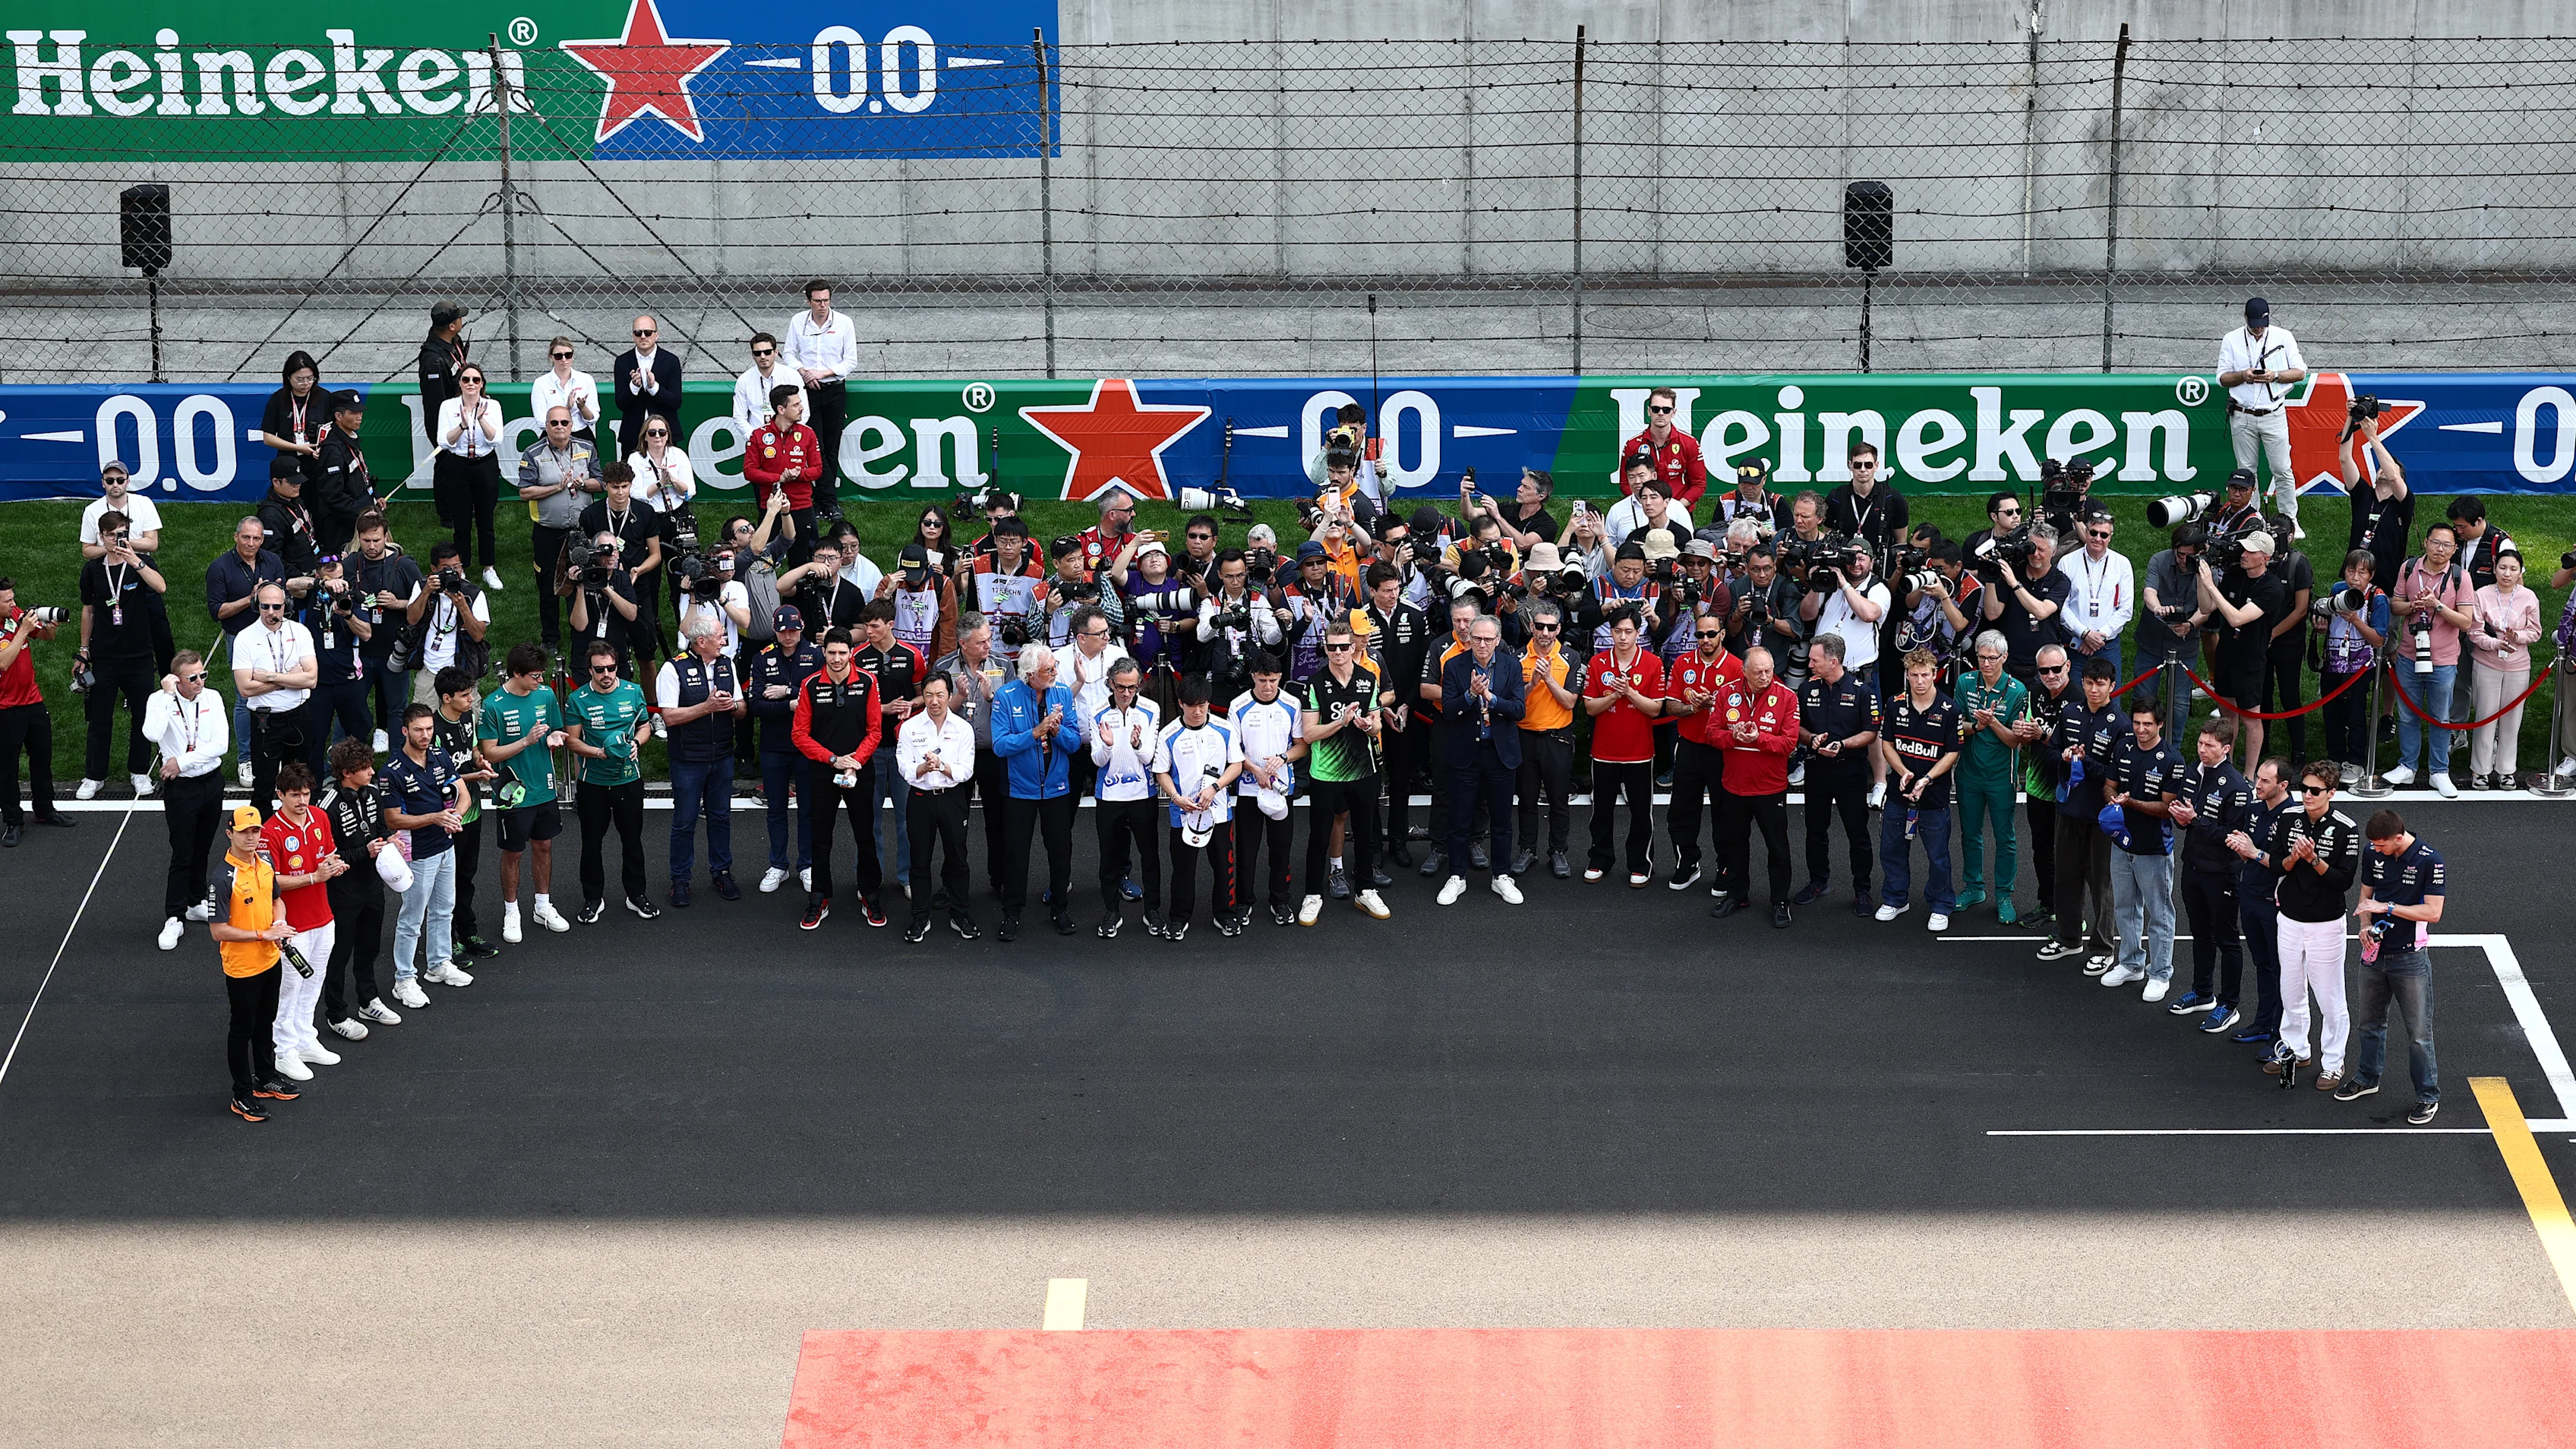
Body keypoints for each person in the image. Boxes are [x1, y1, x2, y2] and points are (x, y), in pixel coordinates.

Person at [2341, 809, 2445, 1124]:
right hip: (2375, 953)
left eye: (2382, 845)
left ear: (2398, 838)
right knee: (2369, 1023)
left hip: (2410, 957)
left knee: (2418, 1034)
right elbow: (2365, 895)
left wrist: (2386, 907)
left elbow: (2433, 912)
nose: (2376, 850)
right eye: (2371, 844)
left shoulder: (2430, 859)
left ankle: (2427, 1096)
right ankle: (2367, 1077)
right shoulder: (2373, 852)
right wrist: (2365, 924)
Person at [2262, 759, 2361, 1088]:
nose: (2307, 795)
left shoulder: (2347, 828)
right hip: (2289, 918)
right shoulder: (2288, 817)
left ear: (2331, 792)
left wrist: (2314, 859)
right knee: (2290, 990)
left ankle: (2333, 1061)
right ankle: (2295, 1048)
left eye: (2315, 791)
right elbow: (2276, 864)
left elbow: (2343, 881)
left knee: (2330, 996)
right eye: (2304, 788)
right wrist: (2294, 857)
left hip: (2325, 924)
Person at [258, 764, 346, 1082]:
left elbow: (329, 854)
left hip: (323, 917)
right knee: (290, 988)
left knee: (314, 982)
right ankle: (283, 1051)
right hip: (292, 925)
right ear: (280, 795)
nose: (302, 800)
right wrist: (314, 876)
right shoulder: (270, 832)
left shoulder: (320, 818)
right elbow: (270, 882)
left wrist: (334, 865)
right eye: (295, 795)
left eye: (306, 794)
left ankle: (306, 1039)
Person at [792, 626, 885, 930]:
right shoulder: (809, 685)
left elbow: (875, 731)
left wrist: (855, 761)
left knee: (865, 835)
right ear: (824, 652)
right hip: (822, 771)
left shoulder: (869, 682)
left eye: (842, 653)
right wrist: (832, 759)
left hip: (859, 770)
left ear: (851, 653)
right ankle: (819, 897)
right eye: (831, 652)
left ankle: (870, 893)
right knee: (820, 838)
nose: (836, 658)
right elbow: (799, 735)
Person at [1299, 620, 1391, 923]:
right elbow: (1309, 734)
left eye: (1344, 646)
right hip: (1325, 773)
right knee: (1319, 836)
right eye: (1332, 647)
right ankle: (1313, 894)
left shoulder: (1368, 678)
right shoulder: (1314, 682)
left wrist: (1368, 726)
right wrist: (1341, 722)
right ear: (1325, 649)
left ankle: (1365, 890)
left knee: (1365, 834)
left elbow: (1377, 723)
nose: (1338, 652)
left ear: (1354, 647)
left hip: (1364, 770)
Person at [380, 702, 472, 1008]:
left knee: (445, 910)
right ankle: (404, 979)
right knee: (411, 918)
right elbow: (393, 819)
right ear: (405, 731)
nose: (426, 735)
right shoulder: (391, 772)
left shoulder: (439, 755)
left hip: (446, 848)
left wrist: (455, 816)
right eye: (418, 729)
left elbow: (463, 793)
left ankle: (438, 964)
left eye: (430, 728)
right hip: (417, 854)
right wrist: (436, 818)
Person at [210, 804, 298, 1122]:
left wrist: (280, 926)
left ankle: (266, 1076)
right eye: (244, 831)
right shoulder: (222, 878)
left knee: (266, 1021)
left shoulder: (264, 864)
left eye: (256, 831)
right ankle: (242, 1094)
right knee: (242, 1029)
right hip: (243, 968)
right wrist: (264, 933)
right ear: (230, 834)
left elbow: (277, 900)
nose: (251, 837)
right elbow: (218, 931)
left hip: (270, 960)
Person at [2035, 657, 2124, 969]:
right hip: (2069, 809)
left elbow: (2117, 774)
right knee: (2066, 876)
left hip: (2100, 816)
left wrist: (2085, 763)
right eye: (2088, 683)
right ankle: (2068, 938)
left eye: (2100, 684)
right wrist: (2063, 755)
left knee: (2101, 882)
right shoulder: (2070, 712)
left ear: (2112, 686)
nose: (2094, 689)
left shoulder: (2122, 725)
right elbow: (2049, 752)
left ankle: (2103, 947)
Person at [478, 643, 570, 942]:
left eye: (542, 675)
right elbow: (490, 753)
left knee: (544, 846)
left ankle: (542, 906)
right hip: (512, 792)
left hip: (544, 786)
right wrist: (526, 742)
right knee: (514, 853)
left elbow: (557, 729)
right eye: (534, 675)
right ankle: (511, 911)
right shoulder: (494, 705)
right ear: (516, 674)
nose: (540, 681)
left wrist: (555, 737)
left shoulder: (546, 696)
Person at [2165, 715, 2252, 1029]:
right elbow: (2183, 816)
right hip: (2194, 867)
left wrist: (2196, 819)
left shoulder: (2238, 787)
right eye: (2200, 743)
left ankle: (2230, 1004)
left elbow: (2234, 836)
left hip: (2222, 874)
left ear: (2226, 749)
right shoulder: (2193, 772)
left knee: (2227, 939)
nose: (2202, 749)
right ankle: (2203, 993)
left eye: (2209, 745)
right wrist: (2183, 818)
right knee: (2200, 934)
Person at [564, 640, 658, 922]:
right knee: (591, 843)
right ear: (589, 670)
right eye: (599, 669)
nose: (606, 674)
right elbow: (572, 741)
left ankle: (636, 895)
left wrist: (637, 745)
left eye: (611, 668)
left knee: (632, 840)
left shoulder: (633, 691)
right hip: (593, 782)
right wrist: (599, 753)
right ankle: (593, 898)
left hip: (629, 780)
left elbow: (644, 726)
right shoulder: (578, 699)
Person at [75, 507, 166, 800]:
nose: (118, 540)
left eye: (123, 534)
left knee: (142, 716)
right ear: (102, 537)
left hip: (139, 654)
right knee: (100, 719)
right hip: (105, 656)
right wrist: (84, 650)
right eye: (113, 535)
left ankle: (140, 771)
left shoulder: (141, 563)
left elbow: (161, 587)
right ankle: (94, 775)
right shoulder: (92, 570)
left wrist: (136, 561)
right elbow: (88, 609)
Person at [993, 642, 1082, 942]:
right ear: (1030, 673)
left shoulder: (1062, 693)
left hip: (1057, 787)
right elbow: (1000, 745)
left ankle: (1060, 907)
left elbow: (1073, 744)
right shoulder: (1006, 697)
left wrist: (1055, 731)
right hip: (1020, 789)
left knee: (1060, 851)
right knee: (1016, 854)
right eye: (1049, 669)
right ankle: (1012, 913)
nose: (1056, 672)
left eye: (1056, 666)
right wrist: (1035, 732)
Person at [1433, 614, 1524, 908]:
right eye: (1477, 639)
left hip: (1500, 753)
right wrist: (1471, 695)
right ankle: (1457, 876)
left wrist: (1491, 698)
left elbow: (1519, 710)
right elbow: (1448, 711)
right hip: (1465, 754)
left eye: (1488, 639)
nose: (1482, 644)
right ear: (1468, 639)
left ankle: (1501, 875)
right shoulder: (1455, 666)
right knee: (1459, 819)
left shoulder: (1511, 666)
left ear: (1498, 640)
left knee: (1501, 820)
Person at [660, 611, 747, 907]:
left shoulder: (727, 664)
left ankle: (722, 872)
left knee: (721, 818)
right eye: (720, 636)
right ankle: (680, 880)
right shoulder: (672, 669)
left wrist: (731, 705)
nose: (725, 640)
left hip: (722, 755)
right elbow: (669, 717)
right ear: (701, 641)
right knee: (684, 822)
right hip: (688, 759)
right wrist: (707, 707)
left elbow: (742, 709)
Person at [2098, 697, 2182, 998]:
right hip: (2121, 843)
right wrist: (2112, 798)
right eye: (2136, 723)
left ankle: (2160, 973)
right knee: (2124, 907)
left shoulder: (2172, 760)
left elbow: (2168, 808)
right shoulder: (2123, 747)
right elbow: (2109, 784)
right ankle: (2131, 963)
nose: (2141, 729)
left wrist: (2131, 802)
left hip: (2154, 849)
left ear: (2160, 724)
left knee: (2159, 913)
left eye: (2148, 724)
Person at [2385, 522, 2477, 794]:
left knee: (2440, 717)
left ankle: (2439, 770)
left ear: (2455, 549)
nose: (2440, 549)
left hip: (2444, 659)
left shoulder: (2461, 577)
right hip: (2408, 655)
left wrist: (2437, 605)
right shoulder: (2410, 569)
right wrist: (2414, 606)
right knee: (2407, 714)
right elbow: (2395, 604)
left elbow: (2465, 621)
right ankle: (2408, 766)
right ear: (2425, 542)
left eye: (2447, 545)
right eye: (2436, 543)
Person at [1712, 646, 1800, 927]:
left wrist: (1758, 738)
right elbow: (1712, 734)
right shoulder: (1726, 694)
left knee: (1778, 848)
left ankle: (1780, 901)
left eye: (1769, 670)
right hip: (1734, 786)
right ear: (1744, 672)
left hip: (1770, 788)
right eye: (1758, 672)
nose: (1765, 676)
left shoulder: (1787, 697)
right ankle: (1738, 895)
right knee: (1735, 844)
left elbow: (1788, 744)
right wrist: (1732, 736)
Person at [1876, 649, 1963, 930]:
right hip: (1898, 792)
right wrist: (1903, 772)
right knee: (1891, 848)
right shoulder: (1894, 704)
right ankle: (1895, 898)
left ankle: (1941, 904)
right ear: (1907, 674)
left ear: (1934, 672)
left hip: (1934, 796)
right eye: (1914, 675)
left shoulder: (1951, 709)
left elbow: (1953, 752)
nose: (1920, 681)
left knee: (1938, 855)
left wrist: (1927, 778)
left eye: (1925, 674)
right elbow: (1887, 743)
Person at [1659, 606, 1743, 896]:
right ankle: (1688, 863)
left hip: (1722, 751)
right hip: (1690, 747)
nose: (1705, 639)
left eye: (1710, 634)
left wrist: (1715, 704)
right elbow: (1670, 706)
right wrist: (1693, 707)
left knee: (1725, 812)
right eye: (1700, 634)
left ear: (1722, 634)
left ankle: (1725, 868)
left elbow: (1742, 712)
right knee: (1682, 810)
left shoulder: (1736, 667)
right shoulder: (1683, 664)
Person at [1155, 676, 1247, 939]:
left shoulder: (1225, 729)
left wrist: (1215, 788)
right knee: (1183, 869)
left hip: (1219, 814)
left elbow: (1236, 765)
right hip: (1183, 815)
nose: (1197, 712)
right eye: (1191, 706)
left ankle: (1225, 915)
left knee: (1223, 866)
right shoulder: (1168, 734)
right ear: (1181, 704)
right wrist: (1175, 797)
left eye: (1203, 705)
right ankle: (1179, 918)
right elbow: (1161, 771)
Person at [320, 737, 401, 1035]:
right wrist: (363, 853)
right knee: (339, 953)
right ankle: (336, 1013)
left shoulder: (374, 794)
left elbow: (381, 829)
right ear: (346, 773)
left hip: (372, 885)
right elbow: (327, 854)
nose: (371, 771)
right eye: (364, 767)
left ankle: (368, 1000)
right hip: (342, 892)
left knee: (369, 946)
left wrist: (390, 839)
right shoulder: (327, 806)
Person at [148, 653, 229, 950]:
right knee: (182, 852)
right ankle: (174, 915)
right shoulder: (160, 701)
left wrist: (181, 761)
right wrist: (167, 698)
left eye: (202, 675)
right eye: (192, 678)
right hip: (182, 790)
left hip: (210, 781)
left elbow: (221, 744)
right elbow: (152, 733)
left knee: (203, 846)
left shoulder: (213, 698)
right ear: (176, 680)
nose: (200, 682)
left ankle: (195, 901)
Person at [1795, 633, 1879, 916]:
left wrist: (1842, 744)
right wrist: (1813, 739)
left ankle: (1862, 889)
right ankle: (1818, 881)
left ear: (1833, 661)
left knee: (1857, 833)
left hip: (1850, 772)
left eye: (1814, 660)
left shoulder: (1862, 691)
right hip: (1817, 769)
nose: (1809, 664)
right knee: (1815, 830)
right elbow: (1797, 728)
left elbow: (1870, 732)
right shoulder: (1806, 690)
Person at [1951, 631, 2031, 921]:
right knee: (1970, 834)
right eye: (1981, 658)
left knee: (2005, 837)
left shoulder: (2018, 690)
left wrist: (1992, 721)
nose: (1986, 663)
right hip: (1968, 774)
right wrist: (1976, 726)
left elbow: (2014, 741)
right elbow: (1957, 725)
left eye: (1992, 659)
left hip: (2001, 777)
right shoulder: (1965, 682)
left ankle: (2004, 894)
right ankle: (1974, 887)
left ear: (2005, 658)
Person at [1582, 608, 1665, 887]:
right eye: (1618, 631)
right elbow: (1590, 708)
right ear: (1611, 632)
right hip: (1604, 751)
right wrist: (1616, 695)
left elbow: (1655, 709)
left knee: (1641, 812)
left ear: (1638, 633)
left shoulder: (1653, 663)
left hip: (1639, 752)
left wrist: (1630, 692)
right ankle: (1600, 858)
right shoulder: (1597, 662)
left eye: (1629, 631)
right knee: (1601, 811)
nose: (1623, 637)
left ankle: (1641, 864)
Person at [897, 672, 980, 942]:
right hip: (920, 799)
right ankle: (920, 917)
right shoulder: (910, 727)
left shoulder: (963, 728)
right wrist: (922, 768)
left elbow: (967, 771)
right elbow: (904, 766)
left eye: (940, 695)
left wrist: (942, 766)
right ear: (924, 696)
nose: (935, 701)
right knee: (919, 860)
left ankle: (960, 914)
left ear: (949, 694)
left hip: (952, 799)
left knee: (958, 858)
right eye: (929, 695)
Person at [936, 613, 1015, 895]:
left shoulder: (1003, 664)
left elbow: (1013, 713)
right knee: (954, 824)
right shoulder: (944, 666)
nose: (988, 646)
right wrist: (958, 696)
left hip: (993, 754)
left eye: (988, 640)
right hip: (956, 756)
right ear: (963, 643)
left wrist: (991, 697)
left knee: (999, 821)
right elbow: (937, 713)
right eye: (981, 642)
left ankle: (1001, 879)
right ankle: (951, 883)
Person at [2196, 530, 2289, 771]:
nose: (2244, 554)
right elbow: (2207, 606)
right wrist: (2201, 576)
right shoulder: (2235, 575)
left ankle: (2249, 774)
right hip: (2226, 655)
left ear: (2265, 557)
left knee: (2251, 718)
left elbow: (2237, 618)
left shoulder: (2273, 589)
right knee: (2228, 716)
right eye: (2244, 549)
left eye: (2251, 551)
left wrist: (2210, 585)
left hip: (2250, 661)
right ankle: (2225, 766)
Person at [2215, 296, 2308, 535]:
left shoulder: (2283, 336)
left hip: (2273, 413)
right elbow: (2223, 378)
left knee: (2282, 468)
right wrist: (2243, 375)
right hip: (2242, 414)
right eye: (2254, 323)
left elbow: (2300, 372)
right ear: (2246, 319)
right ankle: (2251, 519)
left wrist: (2275, 375)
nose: (2258, 328)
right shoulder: (2232, 339)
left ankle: (2290, 520)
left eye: (2262, 324)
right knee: (2247, 470)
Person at [854, 601, 927, 899]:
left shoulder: (912, 655)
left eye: (874, 626)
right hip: (869, 748)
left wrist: (911, 705)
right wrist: (882, 708)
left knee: (906, 817)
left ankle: (907, 876)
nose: (868, 632)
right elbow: (852, 701)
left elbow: (925, 695)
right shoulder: (857, 657)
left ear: (890, 624)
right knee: (868, 818)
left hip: (903, 747)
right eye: (866, 626)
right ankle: (870, 877)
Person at [2223, 757, 2297, 1046]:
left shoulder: (2293, 816)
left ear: (2283, 785)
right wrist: (2241, 848)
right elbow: (2249, 851)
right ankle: (2265, 1023)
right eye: (2258, 778)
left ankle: (2282, 1034)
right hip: (2250, 895)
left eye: (2266, 781)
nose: (2258, 785)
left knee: (2282, 970)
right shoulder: (2254, 808)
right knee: (2262, 965)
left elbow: (2284, 865)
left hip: (2276, 904)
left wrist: (2253, 852)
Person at [747, 607, 822, 893]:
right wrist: (790, 704)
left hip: (807, 746)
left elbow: (819, 695)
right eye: (782, 631)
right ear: (775, 631)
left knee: (808, 810)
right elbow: (756, 705)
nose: (788, 636)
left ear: (801, 628)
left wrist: (788, 691)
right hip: (773, 746)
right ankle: (778, 864)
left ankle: (807, 864)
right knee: (775, 809)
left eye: (793, 631)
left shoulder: (815, 655)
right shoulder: (762, 657)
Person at [1229, 652, 1305, 928]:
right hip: (1249, 791)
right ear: (1253, 677)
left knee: (1281, 849)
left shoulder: (1292, 704)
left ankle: (1280, 901)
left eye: (1273, 680)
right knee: (1247, 851)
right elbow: (1233, 750)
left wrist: (1283, 758)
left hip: (1281, 791)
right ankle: (1244, 902)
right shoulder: (1238, 706)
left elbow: (1302, 745)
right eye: (1262, 680)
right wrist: (1255, 769)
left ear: (1280, 678)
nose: (1268, 686)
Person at [519, 406, 603, 652]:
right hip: (548, 532)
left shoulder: (586, 448)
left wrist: (583, 483)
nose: (559, 427)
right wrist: (557, 487)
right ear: (546, 426)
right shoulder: (533, 452)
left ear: (571, 425)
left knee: (584, 580)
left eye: (564, 422)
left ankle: (584, 632)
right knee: (548, 585)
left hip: (581, 531)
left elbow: (600, 483)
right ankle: (550, 638)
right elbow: (524, 491)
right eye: (554, 423)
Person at [1091, 657, 1165, 937]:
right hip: (1109, 795)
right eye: (1120, 687)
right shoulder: (1098, 710)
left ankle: (1152, 911)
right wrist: (1109, 747)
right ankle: (1111, 912)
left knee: (1150, 855)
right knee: (1108, 857)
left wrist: (1137, 744)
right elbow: (1097, 761)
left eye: (1132, 688)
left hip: (1142, 795)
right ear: (1111, 683)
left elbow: (1149, 757)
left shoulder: (1150, 709)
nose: (1126, 693)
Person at [428, 667, 497, 961]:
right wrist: (476, 776)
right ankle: (447, 940)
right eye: (465, 695)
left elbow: (470, 753)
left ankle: (467, 932)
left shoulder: (468, 718)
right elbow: (440, 775)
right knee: (446, 882)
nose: (471, 699)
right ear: (447, 698)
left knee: (467, 876)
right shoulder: (432, 729)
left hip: (472, 811)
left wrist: (481, 761)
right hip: (447, 816)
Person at [234, 582, 317, 819]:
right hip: (265, 721)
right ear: (256, 606)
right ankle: (262, 840)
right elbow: (246, 688)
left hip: (298, 715)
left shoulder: (300, 632)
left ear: (286, 605)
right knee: (264, 783)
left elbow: (311, 679)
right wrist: (290, 679)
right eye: (265, 606)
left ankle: (298, 831)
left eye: (277, 606)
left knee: (299, 781)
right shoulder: (245, 638)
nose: (271, 612)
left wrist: (270, 678)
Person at [1514, 598, 1580, 881]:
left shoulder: (1570, 657)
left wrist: (1549, 680)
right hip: (1525, 737)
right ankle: (1528, 849)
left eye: (1550, 628)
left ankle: (1558, 851)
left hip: (1558, 738)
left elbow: (1570, 703)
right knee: (1527, 799)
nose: (1544, 633)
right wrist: (1532, 684)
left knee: (1558, 799)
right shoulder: (1516, 657)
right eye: (1539, 626)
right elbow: (1514, 702)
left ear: (1558, 629)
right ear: (1531, 626)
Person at [2467, 546, 2540, 789]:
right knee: (2485, 717)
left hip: (2518, 666)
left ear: (2521, 572)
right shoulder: (2482, 594)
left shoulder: (2528, 597)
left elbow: (2535, 631)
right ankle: (2480, 770)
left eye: (2513, 569)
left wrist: (2516, 636)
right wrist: (2495, 643)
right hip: (2487, 662)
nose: (2507, 573)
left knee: (2512, 719)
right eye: (2503, 568)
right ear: (2495, 569)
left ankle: (2507, 770)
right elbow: (2474, 632)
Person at [579, 464, 665, 670]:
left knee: (646, 650)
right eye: (615, 487)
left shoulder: (645, 512)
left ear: (631, 486)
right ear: (605, 486)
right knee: (598, 647)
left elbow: (656, 555)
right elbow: (584, 555)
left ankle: (649, 700)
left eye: (625, 487)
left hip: (637, 585)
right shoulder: (591, 514)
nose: (620, 492)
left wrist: (638, 570)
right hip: (602, 585)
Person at [347, 513, 421, 747]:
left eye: (376, 540)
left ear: (386, 537)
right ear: (359, 538)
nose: (371, 546)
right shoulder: (351, 564)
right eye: (366, 541)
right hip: (359, 652)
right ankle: (349, 758)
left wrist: (398, 603)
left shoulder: (404, 564)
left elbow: (423, 602)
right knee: (352, 706)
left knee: (397, 709)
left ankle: (399, 762)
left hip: (394, 650)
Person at [2316, 549, 2390, 781]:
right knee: (2331, 711)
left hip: (2361, 665)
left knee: (2356, 713)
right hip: (2334, 662)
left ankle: (2356, 760)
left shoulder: (2378, 599)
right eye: (2351, 571)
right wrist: (2320, 623)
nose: (2355, 578)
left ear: (2371, 575)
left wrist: (2356, 620)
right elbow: (2325, 615)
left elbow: (2379, 640)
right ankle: (2335, 757)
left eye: (2361, 572)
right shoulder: (2338, 590)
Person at [433, 361, 507, 590]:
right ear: (460, 383)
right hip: (458, 465)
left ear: (482, 384)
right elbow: (444, 441)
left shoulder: (492, 405)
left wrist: (481, 419)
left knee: (486, 519)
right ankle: (461, 567)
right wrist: (462, 426)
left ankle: (488, 568)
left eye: (476, 380)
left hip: (485, 464)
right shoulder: (448, 406)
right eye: (466, 380)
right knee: (461, 521)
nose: (471, 384)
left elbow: (497, 439)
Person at [785, 280, 857, 510]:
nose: (823, 305)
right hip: (807, 391)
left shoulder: (844, 323)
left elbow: (850, 361)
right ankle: (827, 501)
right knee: (816, 446)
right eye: (817, 301)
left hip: (834, 389)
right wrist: (806, 373)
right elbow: (788, 353)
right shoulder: (798, 321)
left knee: (832, 445)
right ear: (808, 301)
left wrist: (823, 373)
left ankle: (824, 499)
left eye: (826, 300)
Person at [2134, 522, 2208, 744]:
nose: (2183, 559)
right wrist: (2158, 608)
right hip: (2152, 640)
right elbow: (2149, 591)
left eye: (2189, 555)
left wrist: (2191, 625)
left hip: (2185, 645)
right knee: (2144, 695)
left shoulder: (2206, 569)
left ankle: (2172, 748)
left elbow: (2207, 607)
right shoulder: (2160, 559)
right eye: (2180, 553)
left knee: (2179, 702)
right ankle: (2142, 743)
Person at [402, 541, 491, 706]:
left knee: (465, 724)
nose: (453, 573)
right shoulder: (422, 586)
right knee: (424, 723)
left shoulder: (472, 593)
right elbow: (412, 619)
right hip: (430, 670)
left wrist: (463, 607)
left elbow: (479, 635)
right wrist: (426, 592)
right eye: (446, 568)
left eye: (457, 567)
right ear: (434, 570)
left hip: (461, 672)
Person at [1980, 523, 2069, 687]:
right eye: (2032, 548)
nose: (2035, 554)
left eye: (2042, 550)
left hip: (2043, 667)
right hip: (2009, 660)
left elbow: (2042, 611)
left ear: (2054, 552)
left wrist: (2015, 584)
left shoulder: (2060, 581)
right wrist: (1991, 574)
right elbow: (1992, 613)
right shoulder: (2013, 571)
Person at [744, 385, 825, 561]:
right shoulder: (759, 435)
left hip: (801, 506)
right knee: (764, 560)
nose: (802, 408)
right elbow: (749, 471)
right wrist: (778, 478)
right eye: (796, 405)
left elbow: (818, 469)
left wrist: (800, 474)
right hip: (771, 507)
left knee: (800, 560)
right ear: (781, 409)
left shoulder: (808, 434)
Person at [2056, 510, 2133, 686]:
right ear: (2087, 532)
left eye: (2103, 534)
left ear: (2110, 537)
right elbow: (2062, 605)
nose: (2098, 538)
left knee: (2110, 700)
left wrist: (2098, 637)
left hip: (2107, 645)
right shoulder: (2067, 562)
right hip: (2075, 642)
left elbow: (2126, 609)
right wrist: (2084, 634)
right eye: (2093, 533)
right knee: (2074, 700)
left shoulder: (2122, 564)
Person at [2342, 413, 2412, 594]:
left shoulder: (2403, 501)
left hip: (2387, 582)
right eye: (2380, 467)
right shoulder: (2363, 494)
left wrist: (2373, 437)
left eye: (2388, 467)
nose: (2383, 470)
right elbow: (2345, 459)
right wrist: (2351, 418)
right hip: (2354, 578)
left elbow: (2394, 478)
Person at [564, 528, 644, 677]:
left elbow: (632, 614)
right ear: (595, 553)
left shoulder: (622, 578)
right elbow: (579, 625)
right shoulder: (580, 580)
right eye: (605, 550)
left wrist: (606, 588)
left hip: (616, 658)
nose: (611, 555)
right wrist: (580, 589)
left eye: (614, 550)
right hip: (585, 659)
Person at [312, 392, 378, 560]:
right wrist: (363, 513)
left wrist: (375, 497)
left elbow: (361, 475)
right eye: (353, 413)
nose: (360, 417)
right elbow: (332, 496)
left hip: (355, 517)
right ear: (338, 416)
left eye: (360, 412)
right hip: (340, 529)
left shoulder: (350, 439)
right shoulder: (333, 450)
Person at [1616, 387, 1708, 507]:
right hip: (1644, 509)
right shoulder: (1633, 444)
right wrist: (1644, 504)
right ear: (1649, 411)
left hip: (1679, 509)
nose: (1660, 414)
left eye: (1666, 410)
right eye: (1656, 409)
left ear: (1674, 412)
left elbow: (1699, 484)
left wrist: (1676, 508)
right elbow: (1625, 484)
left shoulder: (1689, 443)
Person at [613, 314, 683, 462]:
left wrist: (654, 388)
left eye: (648, 332)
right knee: (629, 477)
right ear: (633, 336)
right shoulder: (622, 362)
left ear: (656, 335)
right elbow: (620, 403)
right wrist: (633, 387)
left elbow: (676, 401)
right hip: (632, 434)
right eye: (638, 333)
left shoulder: (671, 361)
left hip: (664, 434)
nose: (643, 336)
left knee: (667, 476)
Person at [1824, 442, 1908, 552]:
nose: (1863, 469)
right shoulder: (1835, 497)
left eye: (1868, 465)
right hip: (1845, 563)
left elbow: (1900, 543)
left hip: (1882, 563)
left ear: (1876, 466)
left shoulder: (1892, 498)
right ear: (1850, 466)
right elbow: (1827, 535)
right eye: (1858, 465)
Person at [254, 456, 323, 593]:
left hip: (312, 565)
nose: (297, 486)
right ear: (276, 482)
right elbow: (272, 558)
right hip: (295, 580)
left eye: (299, 481)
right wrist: (301, 576)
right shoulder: (271, 517)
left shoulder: (295, 499)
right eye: (292, 483)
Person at [80, 459, 164, 560]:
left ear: (127, 482)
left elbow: (153, 544)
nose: (115, 485)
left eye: (120, 480)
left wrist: (124, 542)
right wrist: (110, 547)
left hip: (138, 563)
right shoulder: (91, 510)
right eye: (110, 481)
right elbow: (87, 551)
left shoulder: (144, 503)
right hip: (107, 565)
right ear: (103, 483)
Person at [417, 300, 469, 448]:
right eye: (459, 317)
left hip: (462, 415)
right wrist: (445, 439)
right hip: (450, 428)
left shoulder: (454, 340)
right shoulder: (433, 362)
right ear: (451, 326)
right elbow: (436, 405)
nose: (462, 319)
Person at [530, 336, 602, 441]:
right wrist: (566, 408)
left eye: (568, 355)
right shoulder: (541, 383)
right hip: (553, 437)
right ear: (551, 357)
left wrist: (582, 407)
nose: (564, 360)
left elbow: (592, 419)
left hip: (581, 433)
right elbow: (541, 422)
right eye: (559, 356)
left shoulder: (586, 379)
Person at [733, 333, 795, 436]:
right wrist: (754, 438)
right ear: (753, 355)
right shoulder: (744, 380)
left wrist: (789, 436)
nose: (763, 357)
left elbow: (803, 411)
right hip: (756, 439)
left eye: (767, 352)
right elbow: (739, 417)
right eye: (757, 353)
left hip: (787, 438)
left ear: (776, 352)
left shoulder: (791, 376)